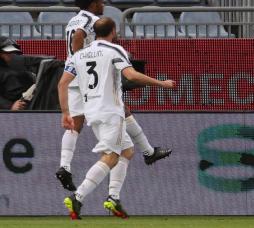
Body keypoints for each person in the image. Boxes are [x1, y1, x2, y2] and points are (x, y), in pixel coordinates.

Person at [58, 17, 176, 219]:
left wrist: (65, 112)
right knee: (111, 156)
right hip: (111, 111)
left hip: (91, 112)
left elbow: (62, 83)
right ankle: (78, 196)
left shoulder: (79, 55)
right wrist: (161, 84)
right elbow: (131, 75)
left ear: (94, 32)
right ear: (113, 31)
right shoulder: (115, 50)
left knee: (127, 150)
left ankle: (113, 198)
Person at [0, 37, 34, 110]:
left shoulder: (15, 69)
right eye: (7, 52)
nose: (11, 55)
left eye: (12, 52)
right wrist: (10, 106)